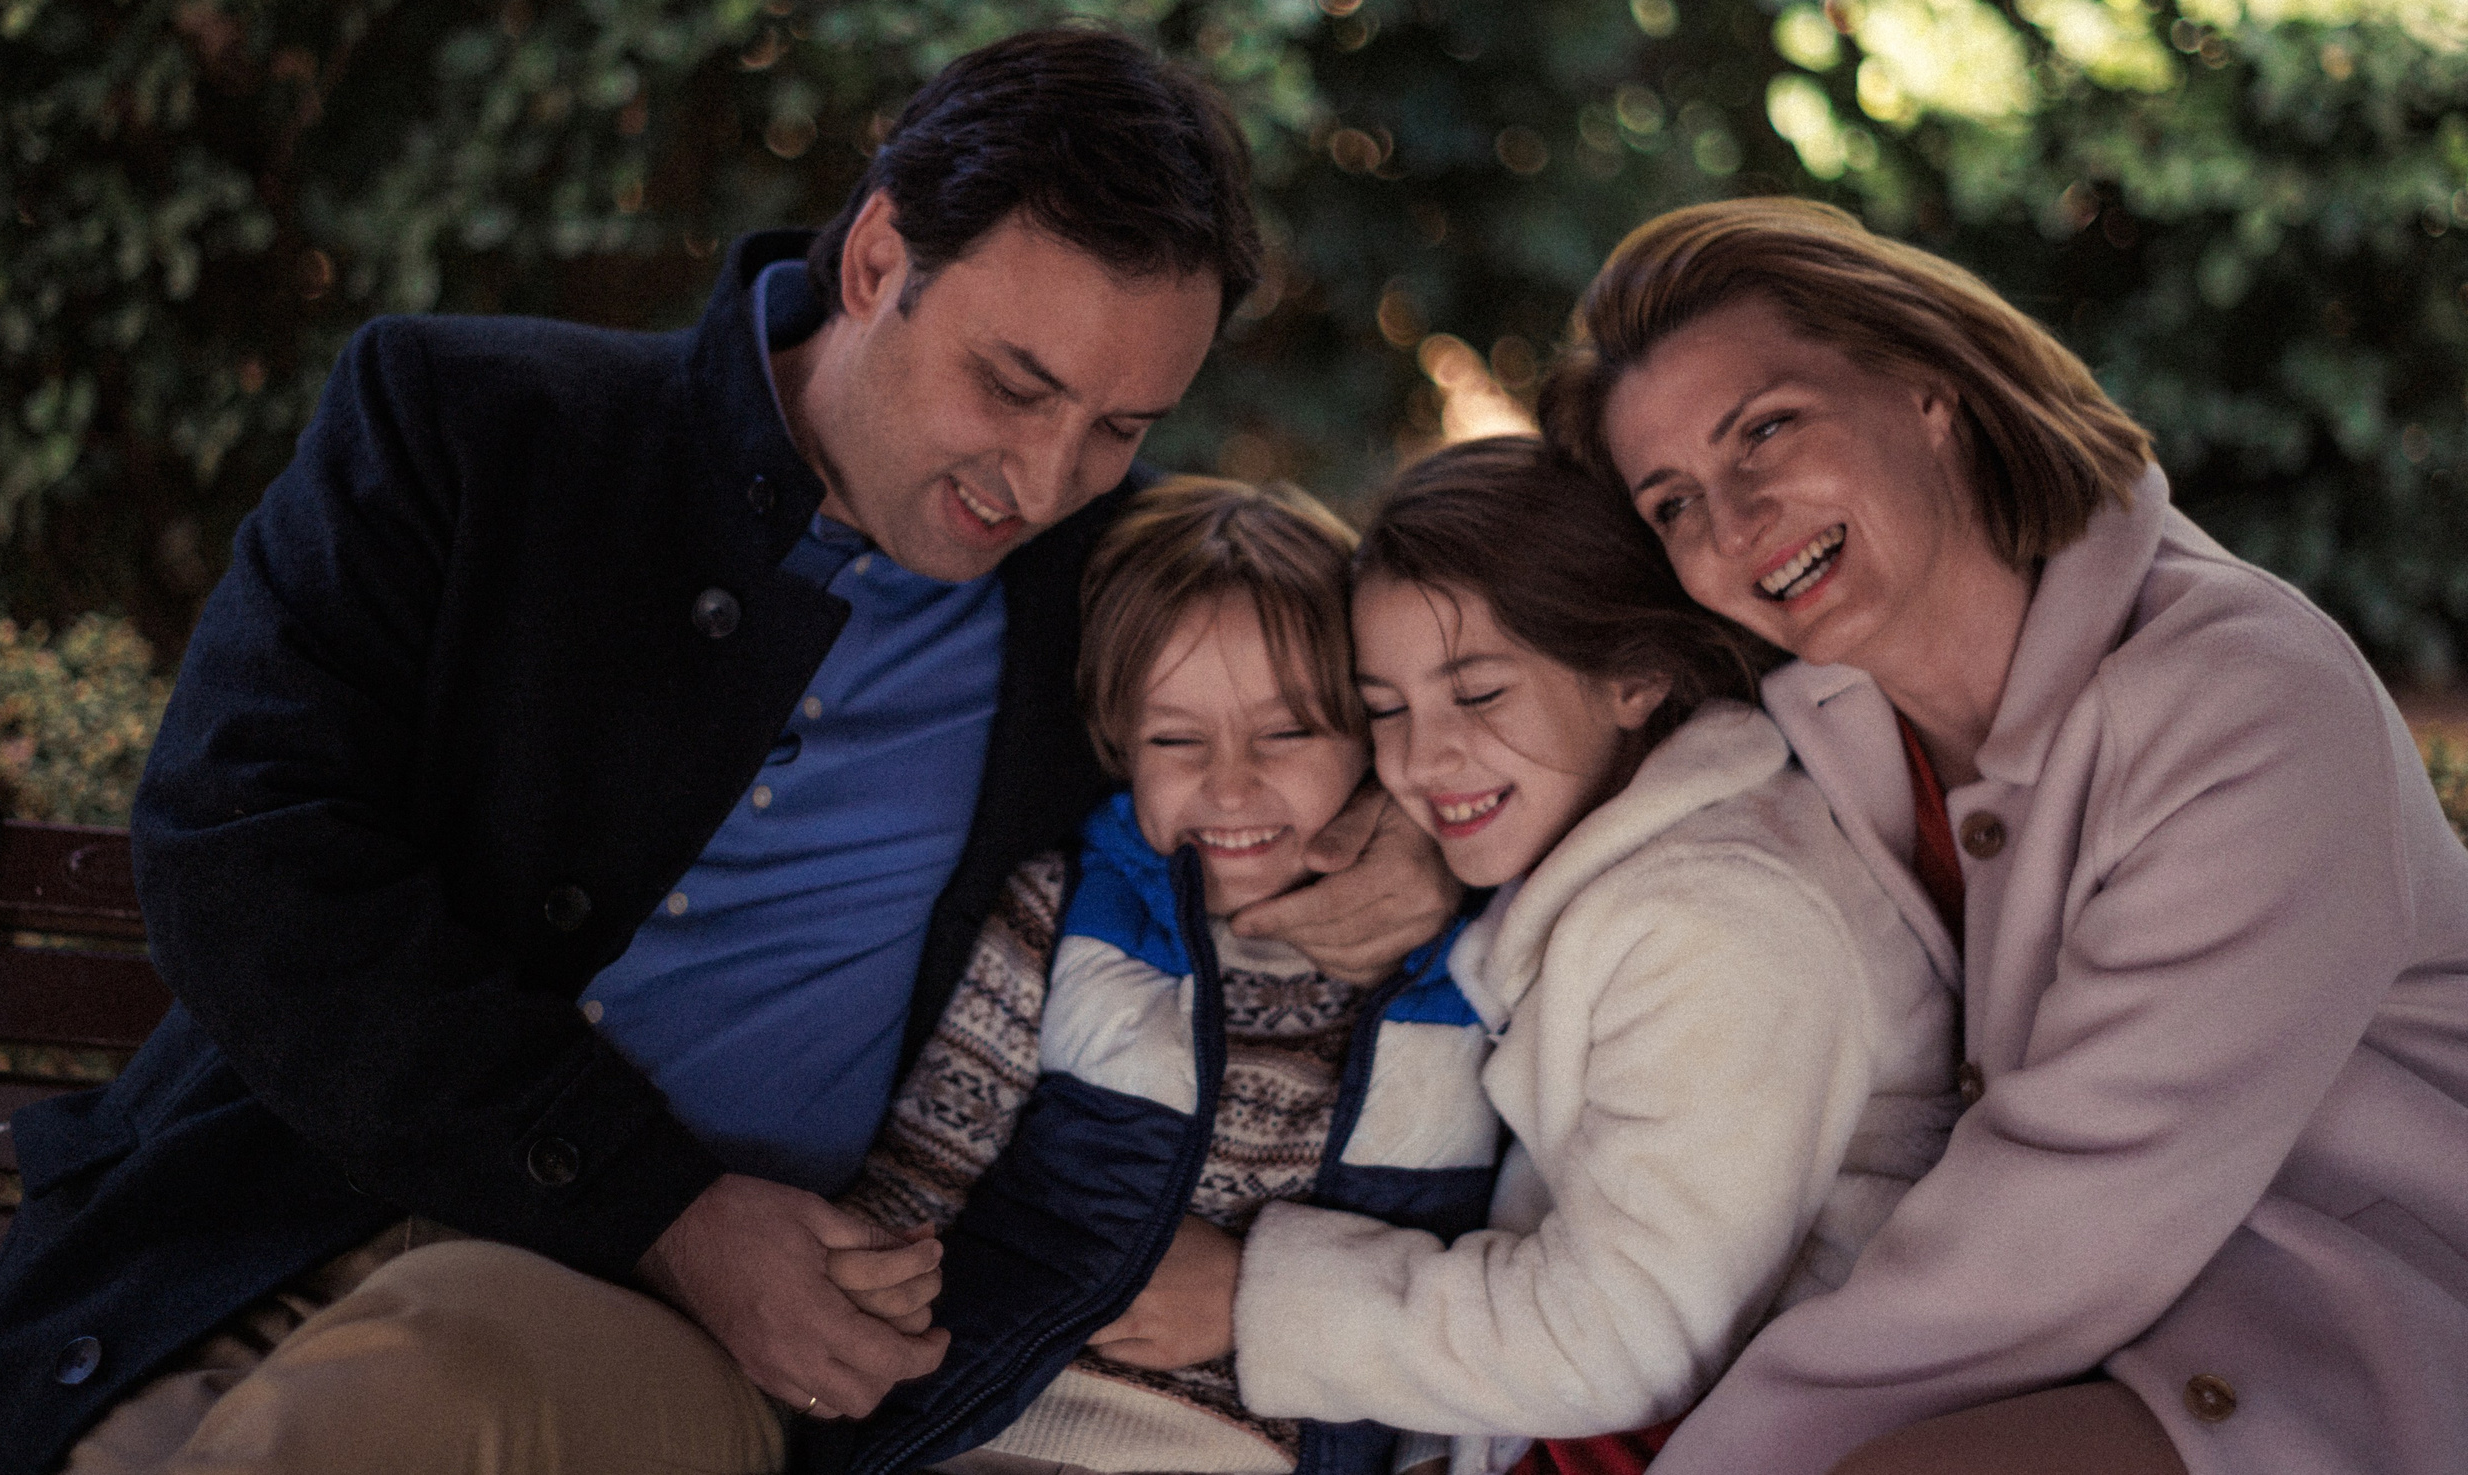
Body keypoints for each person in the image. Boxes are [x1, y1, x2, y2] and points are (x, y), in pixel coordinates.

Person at [0, 28, 1457, 1475]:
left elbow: (1411, 675)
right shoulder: (469, 428)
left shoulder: (1112, 596)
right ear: (874, 259)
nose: (1048, 475)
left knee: (446, 1377)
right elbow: (242, 850)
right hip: (257, 1231)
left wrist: (1409, 821)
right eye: (1016, 381)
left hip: (678, 1347)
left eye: (1124, 425)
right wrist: (664, 1201)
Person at [1542, 195, 2468, 1475]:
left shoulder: (2247, 699)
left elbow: (2062, 1227)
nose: (1735, 519)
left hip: (2344, 1312)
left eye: (1765, 429)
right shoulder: (1804, 718)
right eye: (1673, 503)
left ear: (1928, 389)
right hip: (2041, 1308)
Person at [1102, 437, 1959, 1475]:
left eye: (1479, 694)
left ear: (1634, 675)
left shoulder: (1722, 924)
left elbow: (1627, 1342)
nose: (1420, 762)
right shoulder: (1599, 855)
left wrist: (1247, 1296)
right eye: (1384, 710)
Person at [828, 475, 1498, 1475]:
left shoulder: (1475, 970)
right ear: (1119, 744)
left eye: (1286, 733)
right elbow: (929, 1165)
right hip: (1006, 1429)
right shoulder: (1065, 918)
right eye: (1177, 740)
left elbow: (1490, 1274)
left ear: (1371, 729)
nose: (1231, 785)